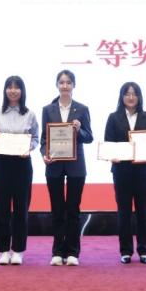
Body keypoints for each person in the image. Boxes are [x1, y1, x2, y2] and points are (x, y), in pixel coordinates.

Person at [40, 70, 93, 266]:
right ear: (57, 85)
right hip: (54, 165)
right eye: (61, 82)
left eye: (68, 82)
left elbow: (89, 137)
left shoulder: (82, 109)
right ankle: (57, 251)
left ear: (73, 85)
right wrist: (44, 154)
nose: (65, 86)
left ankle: (72, 252)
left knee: (73, 210)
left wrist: (79, 130)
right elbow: (44, 139)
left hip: (76, 166)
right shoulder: (48, 109)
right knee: (57, 210)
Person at [104, 82, 146, 264]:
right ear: (122, 97)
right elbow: (108, 143)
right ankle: (125, 250)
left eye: (134, 94)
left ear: (139, 97)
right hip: (121, 171)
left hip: (143, 171)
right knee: (124, 211)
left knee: (143, 211)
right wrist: (111, 156)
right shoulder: (113, 118)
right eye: (127, 93)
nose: (131, 97)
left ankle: (144, 250)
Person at [0, 75, 39, 266]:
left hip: (22, 164)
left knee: (20, 209)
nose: (13, 90)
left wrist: (29, 148)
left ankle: (18, 250)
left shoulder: (30, 114)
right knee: (1, 209)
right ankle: (3, 250)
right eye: (9, 87)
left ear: (22, 91)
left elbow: (35, 138)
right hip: (1, 164)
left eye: (17, 87)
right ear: (5, 90)